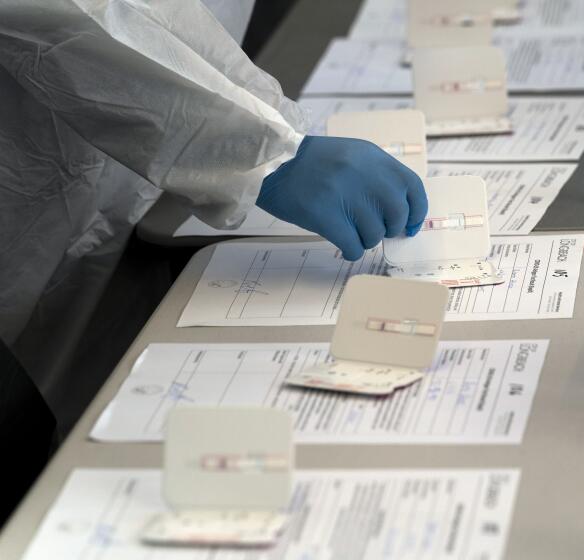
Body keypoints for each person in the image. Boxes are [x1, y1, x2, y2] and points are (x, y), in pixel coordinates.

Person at [0, 0, 428, 438]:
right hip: (31, 157)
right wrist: (269, 150)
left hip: (136, 146)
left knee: (91, 379)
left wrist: (257, 130)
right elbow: (78, 11)